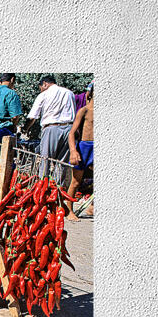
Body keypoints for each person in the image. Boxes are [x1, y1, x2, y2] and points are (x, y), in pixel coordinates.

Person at [25, 75, 76, 186]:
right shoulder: (69, 93)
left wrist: (26, 128)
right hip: (69, 129)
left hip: (51, 128)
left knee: (45, 160)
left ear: (45, 84)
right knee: (61, 163)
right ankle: (57, 189)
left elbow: (33, 116)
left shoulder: (44, 94)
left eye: (41, 87)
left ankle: (42, 188)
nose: (41, 89)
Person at [67, 82, 94, 220]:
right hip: (85, 147)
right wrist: (73, 151)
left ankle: (92, 206)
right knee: (76, 181)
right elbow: (71, 133)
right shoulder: (84, 110)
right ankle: (69, 210)